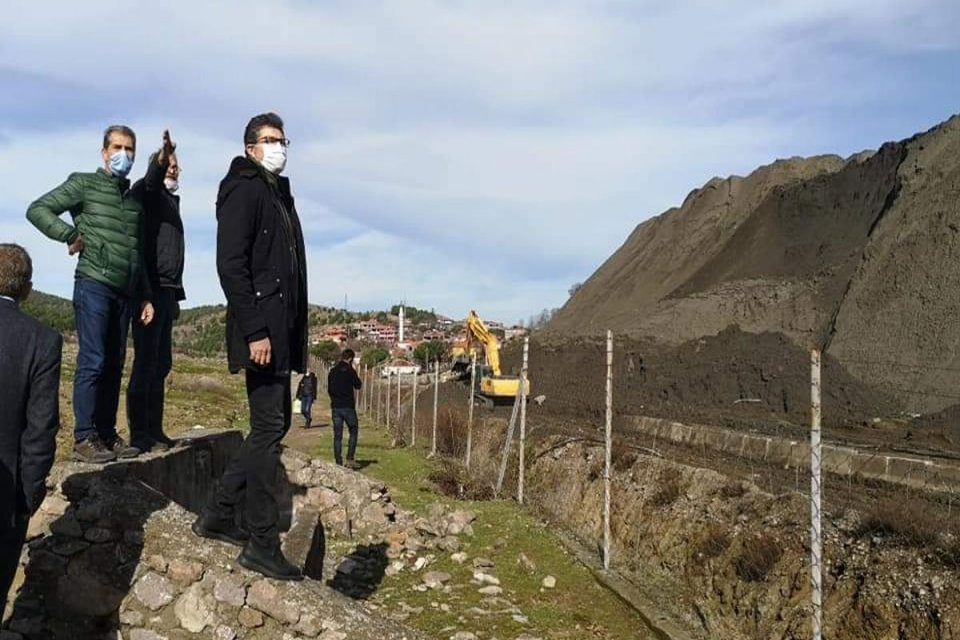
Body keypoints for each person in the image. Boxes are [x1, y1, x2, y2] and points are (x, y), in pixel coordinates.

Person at [193, 113, 308, 581]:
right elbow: (231, 266)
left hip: (279, 333)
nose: (279, 146)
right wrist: (255, 331)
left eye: (283, 140)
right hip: (262, 333)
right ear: (250, 148)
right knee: (266, 428)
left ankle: (219, 512)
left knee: (272, 426)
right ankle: (262, 541)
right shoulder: (244, 188)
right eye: (269, 140)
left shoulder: (277, 194)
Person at [26, 125, 155, 464]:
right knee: (93, 360)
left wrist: (144, 295)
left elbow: (136, 251)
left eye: (129, 149)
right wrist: (69, 233)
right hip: (94, 283)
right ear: (103, 152)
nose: (123, 155)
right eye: (116, 147)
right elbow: (38, 209)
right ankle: (84, 436)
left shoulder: (134, 203)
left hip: (125, 292)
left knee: (114, 364)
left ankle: (107, 433)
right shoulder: (84, 183)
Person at [0, 245, 62, 607]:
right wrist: (27, 497)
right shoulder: (42, 340)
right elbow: (40, 430)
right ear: (28, 288)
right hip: (5, 499)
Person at [127, 130, 186, 453]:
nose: (174, 169)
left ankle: (155, 429)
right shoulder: (147, 193)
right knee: (145, 363)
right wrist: (161, 159)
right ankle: (140, 435)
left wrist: (176, 294)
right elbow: (150, 180)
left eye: (177, 165)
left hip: (168, 291)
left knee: (161, 364)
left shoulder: (170, 201)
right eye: (168, 165)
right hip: (148, 291)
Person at [328, 349, 362, 469]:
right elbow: (358, 385)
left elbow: (329, 390)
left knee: (337, 435)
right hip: (348, 406)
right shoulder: (350, 370)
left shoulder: (332, 371)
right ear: (351, 359)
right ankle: (350, 459)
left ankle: (338, 461)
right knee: (353, 431)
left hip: (336, 406)